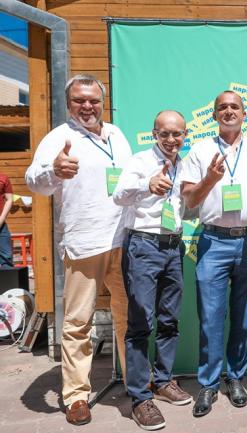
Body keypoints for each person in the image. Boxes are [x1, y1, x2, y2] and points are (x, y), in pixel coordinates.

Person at [25, 74, 131, 426]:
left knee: (129, 317)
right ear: (69, 103)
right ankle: (75, 396)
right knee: (77, 323)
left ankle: (136, 381)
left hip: (122, 241)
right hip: (85, 244)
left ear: (103, 102)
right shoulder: (59, 137)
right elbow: (34, 181)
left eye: (93, 100)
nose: (87, 106)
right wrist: (54, 171)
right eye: (79, 100)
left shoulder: (116, 134)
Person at [180, 91, 247, 416]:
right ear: (215, 115)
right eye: (222, 107)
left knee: (243, 318)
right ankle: (208, 383)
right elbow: (190, 200)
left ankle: (235, 378)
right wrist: (210, 179)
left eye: (235, 107)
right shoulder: (200, 150)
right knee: (210, 318)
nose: (229, 111)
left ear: (244, 114)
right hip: (213, 241)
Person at [113, 110, 192, 430]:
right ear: (154, 134)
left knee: (169, 319)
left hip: (173, 246)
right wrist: (147, 184)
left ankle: (162, 381)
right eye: (165, 133)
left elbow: (186, 205)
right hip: (143, 247)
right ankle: (139, 397)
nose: (171, 139)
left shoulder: (185, 164)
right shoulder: (140, 161)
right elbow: (118, 196)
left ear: (185, 135)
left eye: (177, 134)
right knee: (141, 323)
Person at [0, 172, 13, 268]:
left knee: (6, 258)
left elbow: (9, 199)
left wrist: (1, 219)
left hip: (1, 225)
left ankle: (8, 278)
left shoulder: (3, 178)